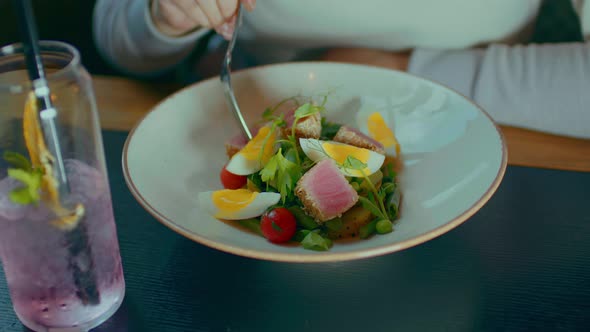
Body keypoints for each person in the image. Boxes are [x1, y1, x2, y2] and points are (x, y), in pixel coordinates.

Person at [93, 0, 590, 139]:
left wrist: (398, 68)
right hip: (242, 117)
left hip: (488, 137)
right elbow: (116, 34)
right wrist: (167, 17)